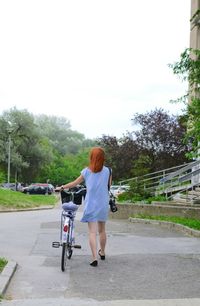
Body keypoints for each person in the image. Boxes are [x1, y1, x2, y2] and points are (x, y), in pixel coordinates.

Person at [59, 147, 112, 267]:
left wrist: (62, 187)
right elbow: (108, 186)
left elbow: (74, 183)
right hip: (103, 203)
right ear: (103, 158)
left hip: (91, 204)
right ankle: (102, 252)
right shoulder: (108, 171)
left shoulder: (86, 171)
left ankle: (94, 258)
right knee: (102, 230)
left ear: (91, 157)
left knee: (92, 232)